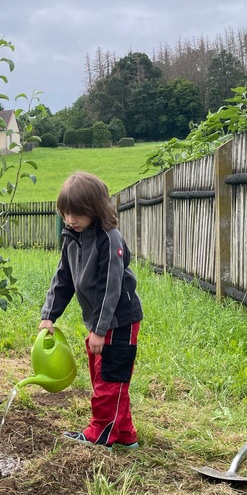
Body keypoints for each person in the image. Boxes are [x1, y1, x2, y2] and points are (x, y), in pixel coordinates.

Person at [39, 171, 143, 448]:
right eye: (66, 213)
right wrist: (48, 315)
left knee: (110, 379)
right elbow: (63, 278)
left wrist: (99, 329)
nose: (71, 220)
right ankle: (124, 434)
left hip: (118, 321)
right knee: (107, 377)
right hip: (100, 323)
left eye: (77, 214)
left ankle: (101, 433)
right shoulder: (72, 237)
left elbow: (112, 287)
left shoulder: (109, 239)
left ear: (96, 209)